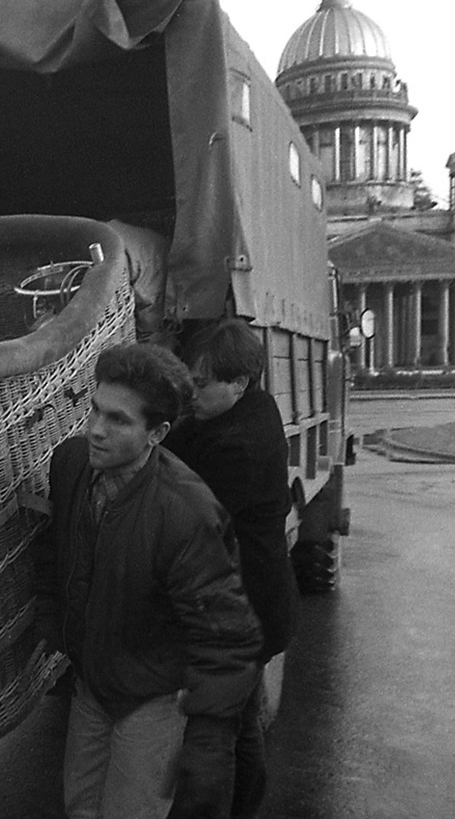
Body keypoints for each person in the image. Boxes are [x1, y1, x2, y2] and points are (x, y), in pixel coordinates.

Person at [44, 344, 261, 818]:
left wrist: (207, 740)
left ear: (156, 433)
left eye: (118, 421)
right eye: (95, 411)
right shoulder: (73, 466)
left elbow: (225, 637)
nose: (96, 431)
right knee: (78, 808)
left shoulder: (187, 513)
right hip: (92, 685)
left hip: (152, 700)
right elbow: (58, 556)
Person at [163, 320, 299, 819]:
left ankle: (240, 808)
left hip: (247, 608)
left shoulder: (236, 447)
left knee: (232, 725)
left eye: (201, 385)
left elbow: (185, 510)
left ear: (238, 383)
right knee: (238, 717)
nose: (190, 395)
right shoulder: (256, 405)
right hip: (258, 597)